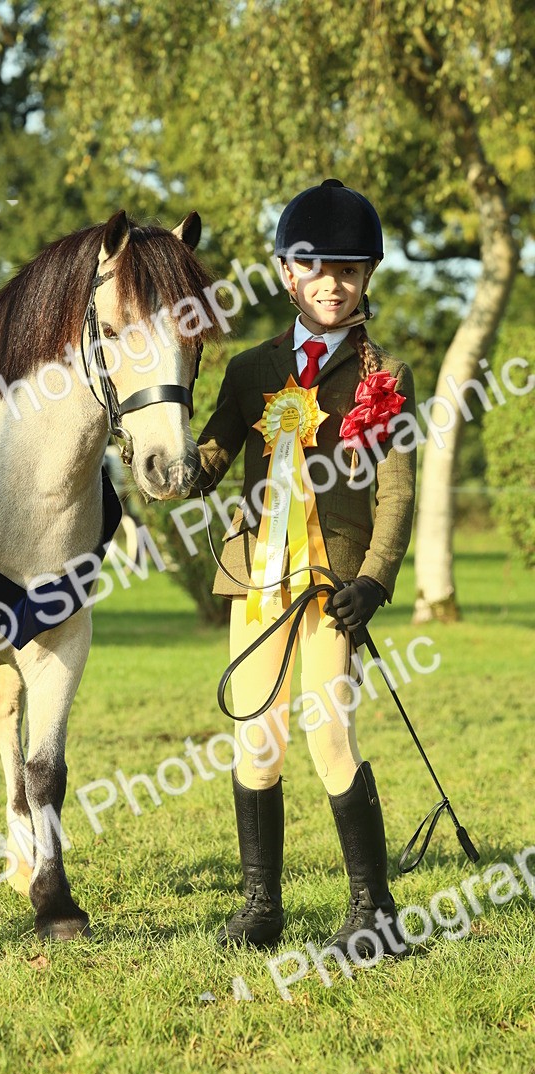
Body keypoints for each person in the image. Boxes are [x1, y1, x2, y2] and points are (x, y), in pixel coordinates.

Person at [194, 179, 416, 959]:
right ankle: (262, 906)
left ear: (366, 279)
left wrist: (376, 581)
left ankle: (374, 911)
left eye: (349, 270)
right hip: (258, 585)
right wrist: (150, 439)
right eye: (316, 268)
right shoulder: (252, 368)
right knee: (257, 743)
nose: (332, 282)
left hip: (331, 589)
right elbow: (206, 463)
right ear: (287, 273)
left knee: (329, 739)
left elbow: (396, 492)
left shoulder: (383, 375)